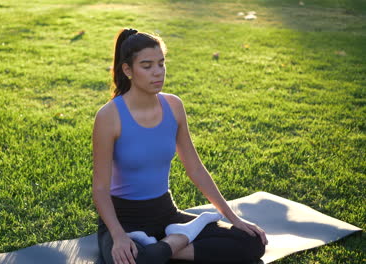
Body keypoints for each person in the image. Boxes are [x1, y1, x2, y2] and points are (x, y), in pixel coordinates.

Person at [92, 28, 268, 264]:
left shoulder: (173, 106)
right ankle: (175, 240)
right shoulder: (109, 116)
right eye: (147, 66)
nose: (158, 73)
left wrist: (233, 218)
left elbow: (195, 168)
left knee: (252, 242)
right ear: (128, 70)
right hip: (124, 220)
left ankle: (171, 241)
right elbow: (101, 189)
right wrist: (118, 236)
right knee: (134, 261)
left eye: (161, 64)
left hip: (165, 214)